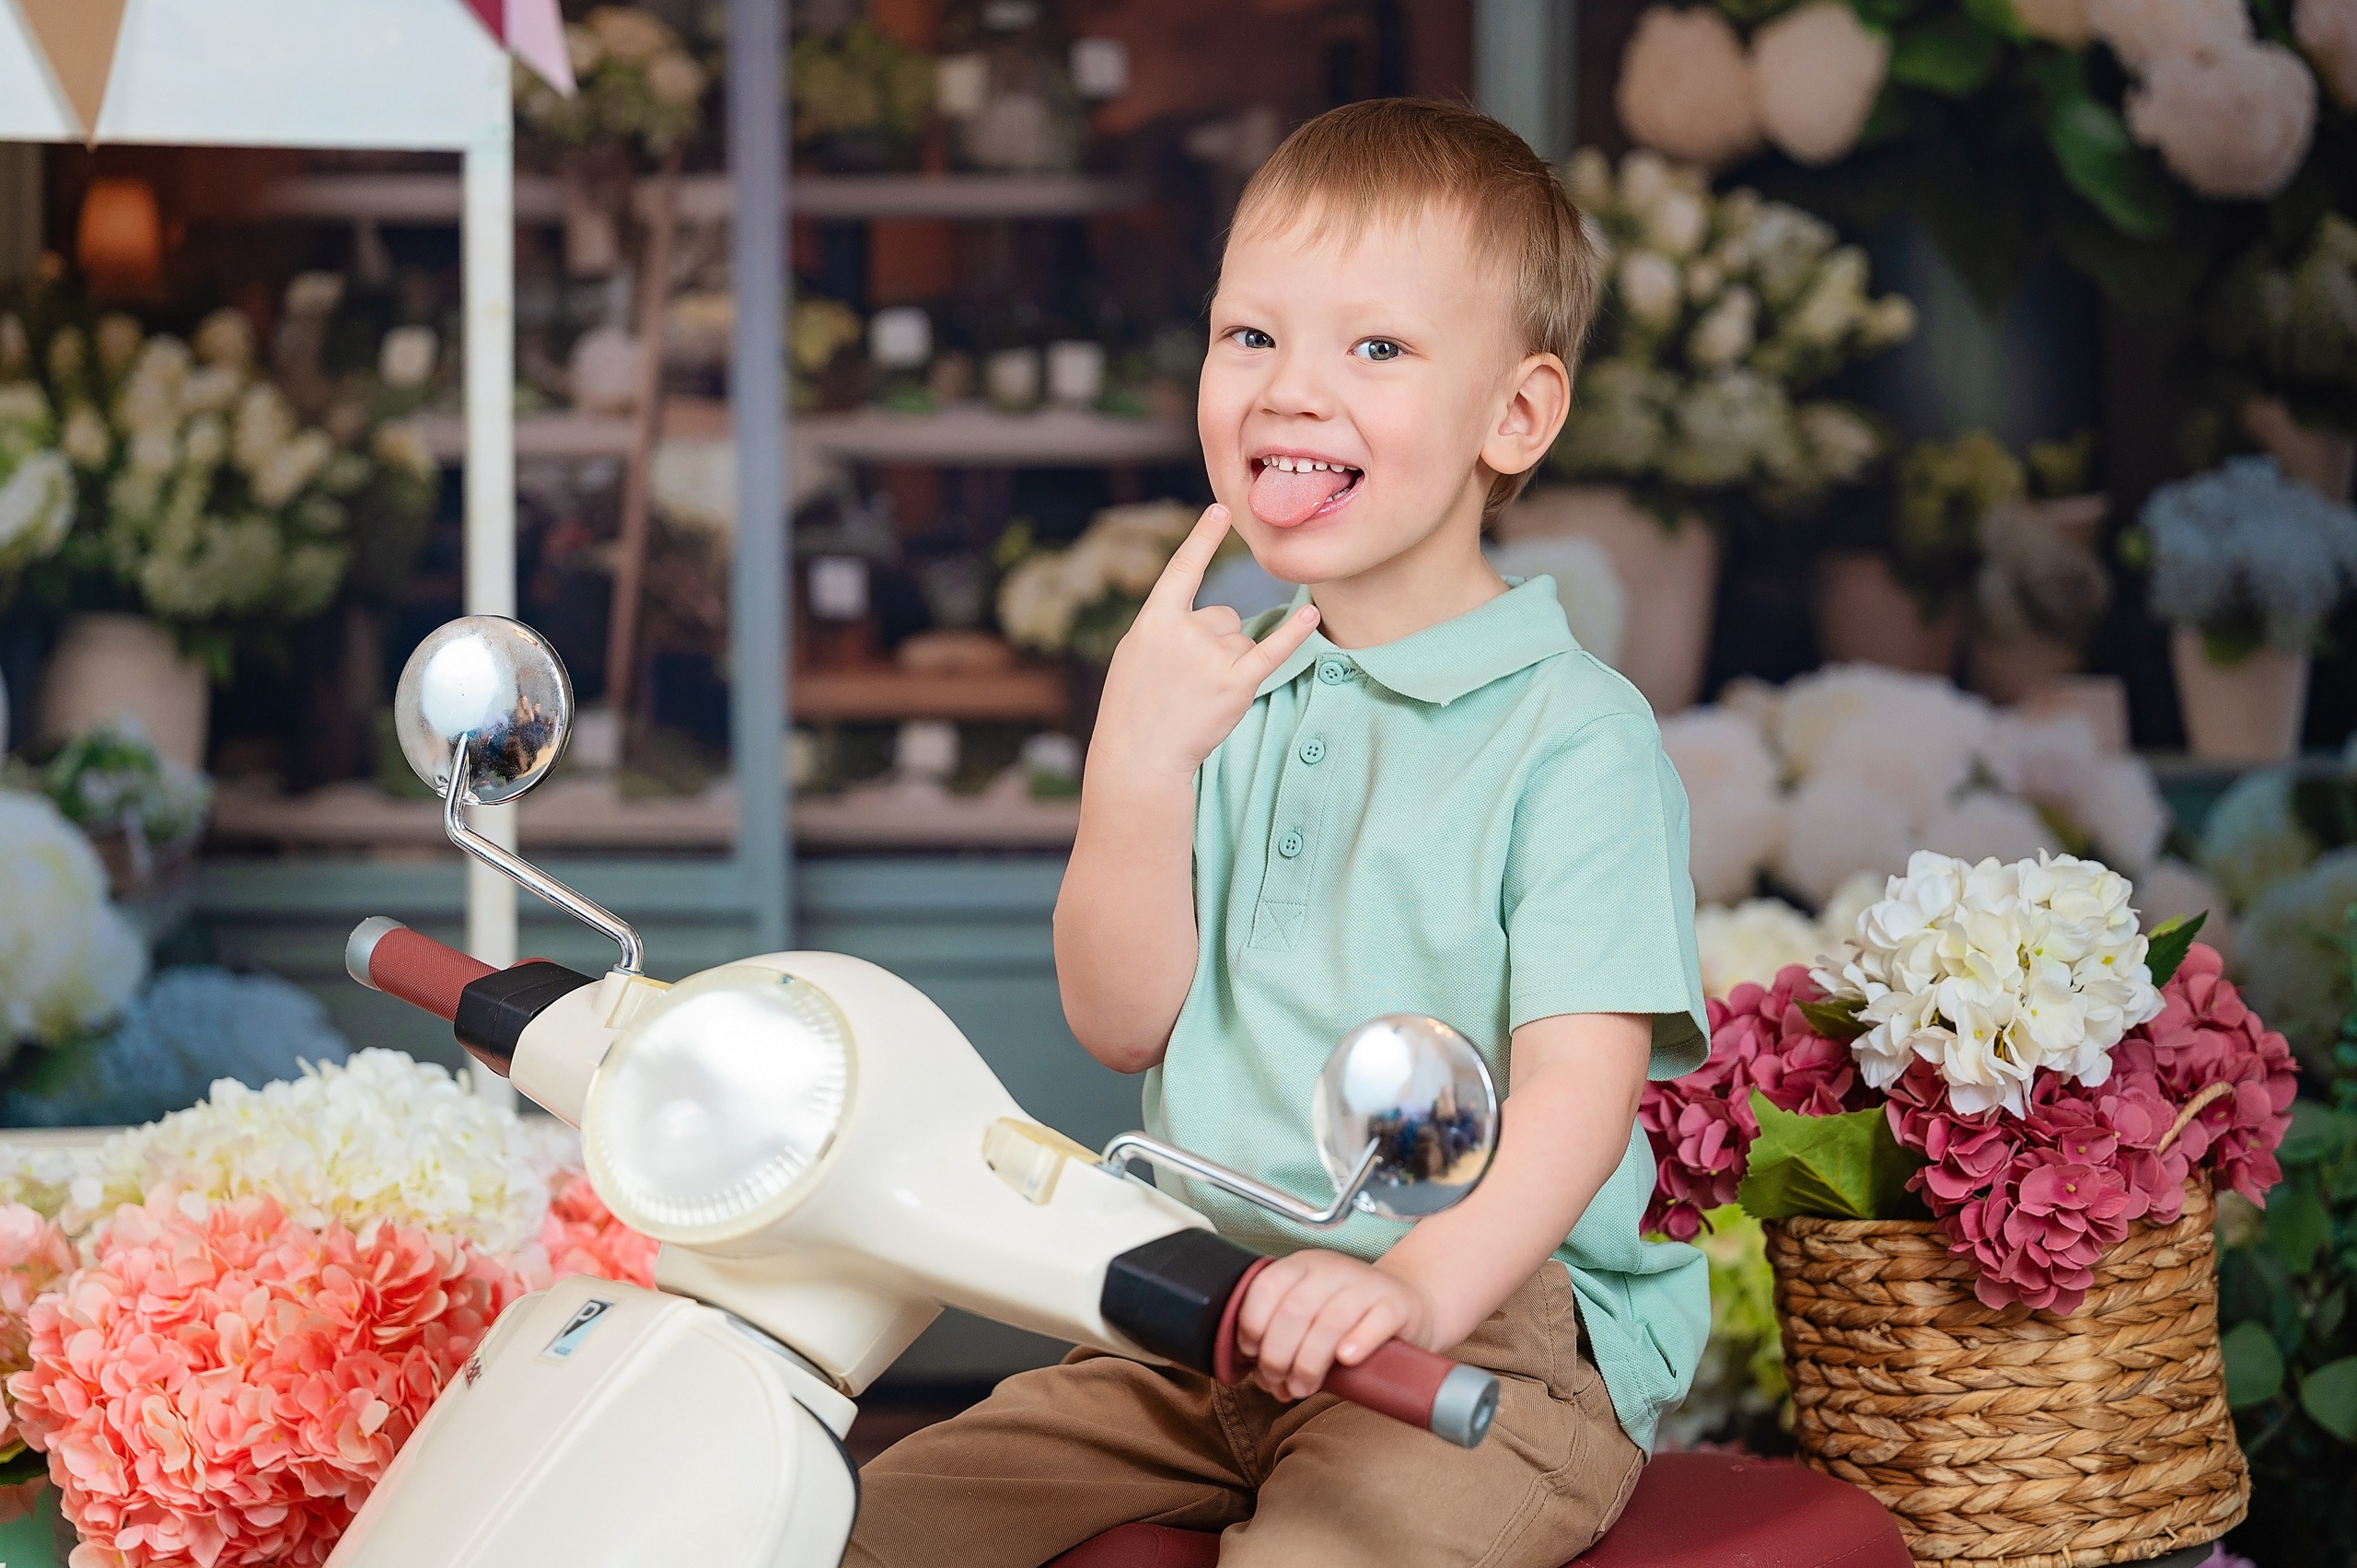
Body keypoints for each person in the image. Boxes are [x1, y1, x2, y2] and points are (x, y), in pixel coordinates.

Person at [847, 98, 1709, 1568]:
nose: (1291, 390)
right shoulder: (1227, 685)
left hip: (1490, 1330)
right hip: (1199, 1308)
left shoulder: (1576, 734)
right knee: (862, 1522)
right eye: (1251, 337)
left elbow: (1581, 1096)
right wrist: (1134, 757)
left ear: (1517, 414)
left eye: (1375, 348)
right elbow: (1120, 1022)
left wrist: (1419, 1292)